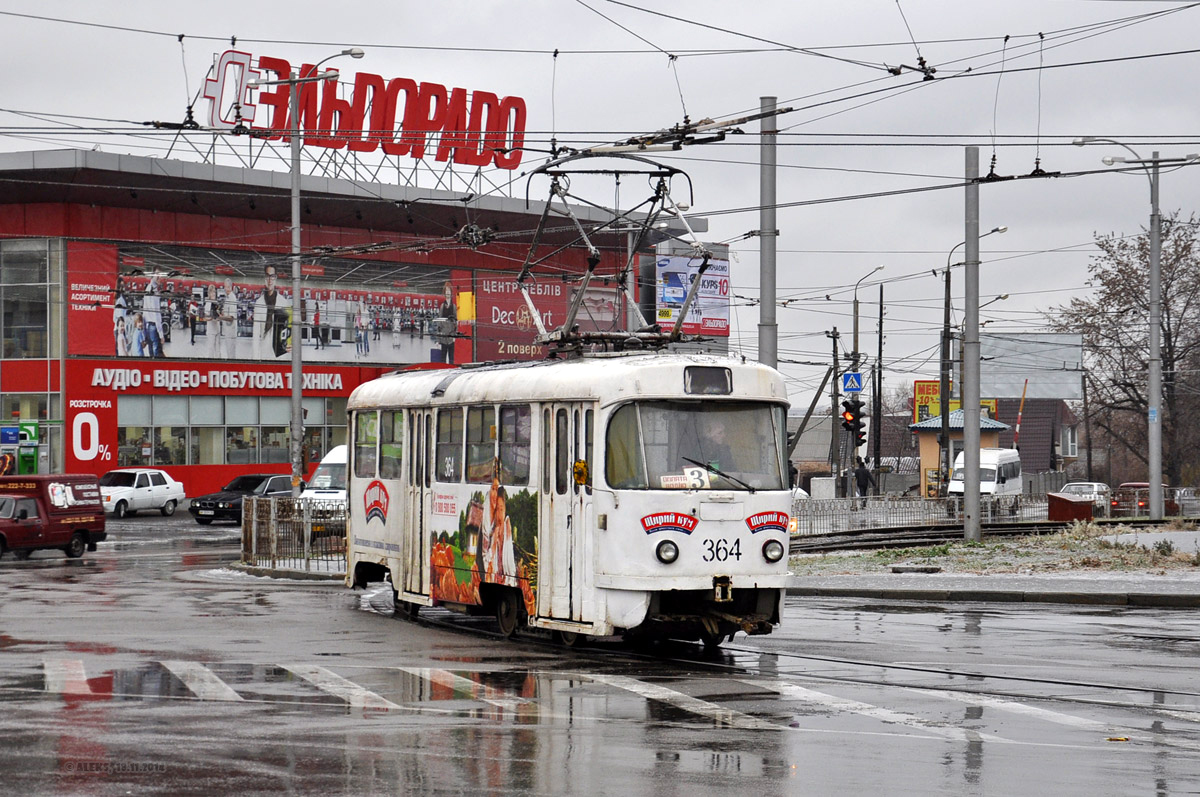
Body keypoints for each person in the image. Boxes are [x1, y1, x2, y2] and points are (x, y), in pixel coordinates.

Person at [253, 264, 287, 359]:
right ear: (265, 278)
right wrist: (255, 357)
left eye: (272, 276)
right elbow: (256, 334)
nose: (270, 280)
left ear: (276, 278)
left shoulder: (283, 302)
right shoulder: (259, 302)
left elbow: (286, 332)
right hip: (264, 349)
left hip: (279, 352)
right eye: (267, 276)